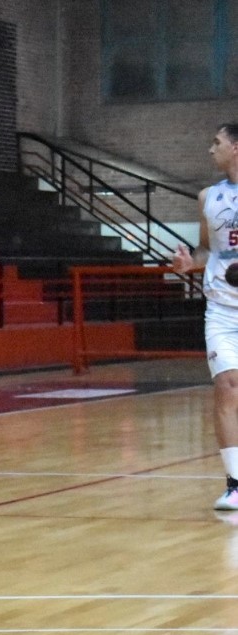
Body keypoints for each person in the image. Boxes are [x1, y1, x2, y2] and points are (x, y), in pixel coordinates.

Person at [170, 122, 238, 512]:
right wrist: (187, 263)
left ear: (235, 148)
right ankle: (234, 484)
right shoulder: (207, 197)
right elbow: (203, 249)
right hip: (221, 310)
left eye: (217, 142)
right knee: (227, 387)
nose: (210, 149)